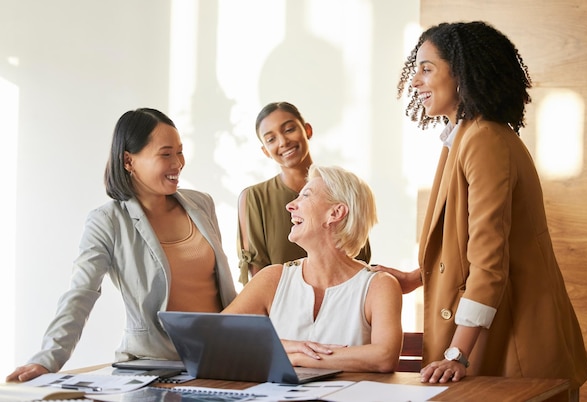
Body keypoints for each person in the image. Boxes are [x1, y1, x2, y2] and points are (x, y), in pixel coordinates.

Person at [376, 21, 587, 390]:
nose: (415, 82)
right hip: (500, 334)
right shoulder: (466, 137)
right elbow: (469, 241)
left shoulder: (483, 140)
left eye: (427, 69)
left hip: (515, 346)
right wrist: (417, 277)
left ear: (460, 73)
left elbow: (489, 258)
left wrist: (457, 353)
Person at [7, 108, 237, 382]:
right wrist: (47, 359)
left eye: (180, 151)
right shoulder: (107, 221)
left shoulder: (201, 204)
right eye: (166, 154)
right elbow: (81, 294)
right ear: (129, 161)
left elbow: (220, 288)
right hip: (154, 367)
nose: (178, 162)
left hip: (220, 360)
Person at [225, 165, 403, 373]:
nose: (290, 205)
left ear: (335, 213)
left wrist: (299, 357)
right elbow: (214, 335)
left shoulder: (379, 286)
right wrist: (285, 347)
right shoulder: (272, 278)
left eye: (305, 196)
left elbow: (383, 357)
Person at [237, 102, 371, 284]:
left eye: (289, 129)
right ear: (265, 151)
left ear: (307, 130)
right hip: (281, 308)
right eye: (271, 139)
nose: (283, 142)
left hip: (345, 303)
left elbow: (359, 256)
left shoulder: (343, 187)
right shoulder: (254, 198)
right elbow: (258, 277)